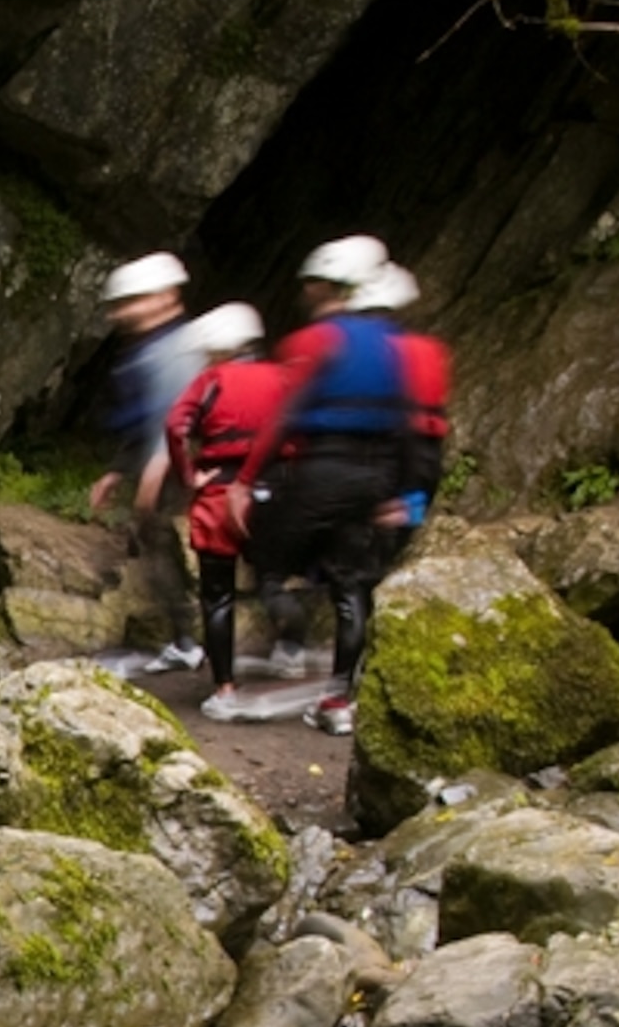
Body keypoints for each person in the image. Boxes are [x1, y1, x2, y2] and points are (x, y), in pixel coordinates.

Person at [230, 235, 415, 736]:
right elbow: (405, 423)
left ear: (328, 286)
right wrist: (400, 491)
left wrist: (245, 482)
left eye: (311, 284)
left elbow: (283, 417)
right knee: (351, 585)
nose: (304, 291)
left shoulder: (313, 342)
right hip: (376, 473)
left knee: (266, 557)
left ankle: (289, 641)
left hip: (323, 468)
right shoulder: (395, 348)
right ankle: (339, 697)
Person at [166, 303, 295, 720]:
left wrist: (189, 475)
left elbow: (175, 427)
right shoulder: (283, 378)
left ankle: (225, 689)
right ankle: (292, 647)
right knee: (273, 578)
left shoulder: (212, 380)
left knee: (217, 597)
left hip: (220, 494)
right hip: (275, 491)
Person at [90, 252, 211, 673]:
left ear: (165, 297)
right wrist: (117, 471)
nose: (124, 311)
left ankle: (190, 640)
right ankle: (186, 636)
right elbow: (141, 419)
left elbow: (175, 416)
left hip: (176, 461)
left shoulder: (176, 348)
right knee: (151, 544)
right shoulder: (144, 347)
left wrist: (156, 468)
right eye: (122, 303)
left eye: (134, 301)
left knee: (159, 543)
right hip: (157, 457)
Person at [354, 260, 452, 543]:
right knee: (405, 528)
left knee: (371, 531)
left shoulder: (369, 351)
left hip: (384, 451)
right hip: (426, 455)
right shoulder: (430, 349)